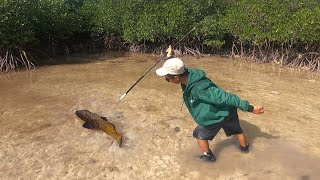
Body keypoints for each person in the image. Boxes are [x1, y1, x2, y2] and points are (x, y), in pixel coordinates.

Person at [155, 46, 264, 162]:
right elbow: (177, 68)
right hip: (229, 111)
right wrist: (171, 56)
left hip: (216, 116)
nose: (167, 80)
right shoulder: (189, 73)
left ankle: (209, 156)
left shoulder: (199, 88)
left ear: (176, 78)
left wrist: (251, 108)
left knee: (198, 134)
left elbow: (225, 96)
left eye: (167, 78)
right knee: (237, 130)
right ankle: (245, 150)